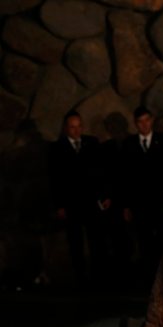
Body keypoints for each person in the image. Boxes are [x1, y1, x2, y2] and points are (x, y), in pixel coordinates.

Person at [118, 106, 163, 287]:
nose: (144, 125)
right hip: (139, 203)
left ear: (152, 120)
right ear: (136, 124)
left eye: (147, 120)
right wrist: (126, 205)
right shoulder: (129, 144)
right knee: (143, 240)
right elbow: (124, 177)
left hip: (161, 201)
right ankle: (148, 280)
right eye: (140, 121)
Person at [48, 110, 112, 285]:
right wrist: (59, 205)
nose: (76, 131)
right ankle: (81, 278)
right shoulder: (57, 148)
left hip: (91, 201)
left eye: (79, 126)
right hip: (71, 203)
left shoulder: (92, 143)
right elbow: (55, 178)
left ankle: (99, 277)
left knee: (96, 240)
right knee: (75, 242)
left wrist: (105, 195)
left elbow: (102, 171)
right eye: (72, 127)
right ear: (66, 128)